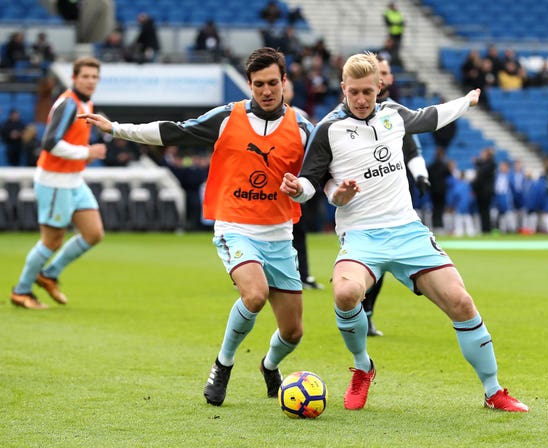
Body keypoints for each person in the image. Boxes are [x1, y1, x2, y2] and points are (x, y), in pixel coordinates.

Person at [280, 52, 528, 412]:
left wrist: (466, 102)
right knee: (346, 293)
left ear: (379, 87)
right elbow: (310, 182)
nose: (362, 100)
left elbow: (430, 118)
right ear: (342, 89)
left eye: (368, 92)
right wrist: (299, 190)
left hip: (407, 231)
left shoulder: (393, 114)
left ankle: (493, 391)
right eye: (354, 93)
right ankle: (363, 366)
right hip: (362, 236)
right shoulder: (328, 130)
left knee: (461, 302)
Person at [80, 48, 314, 406]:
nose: (265, 91)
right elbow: (174, 132)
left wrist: (306, 189)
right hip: (235, 225)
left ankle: (269, 365)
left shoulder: (303, 127)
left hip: (279, 233)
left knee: (293, 332)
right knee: (254, 294)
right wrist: (116, 129)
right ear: (249, 85)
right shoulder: (227, 117)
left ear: (284, 82)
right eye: (258, 85)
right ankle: (223, 364)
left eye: (272, 83)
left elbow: (321, 173)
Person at [10, 57, 107, 310]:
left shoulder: (86, 102)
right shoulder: (68, 104)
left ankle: (49, 274)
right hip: (54, 181)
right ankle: (21, 291)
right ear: (74, 78)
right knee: (51, 241)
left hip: (74, 180)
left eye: (94, 77)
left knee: (93, 233)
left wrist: (84, 153)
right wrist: (87, 152)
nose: (90, 81)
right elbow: (50, 143)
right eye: (85, 76)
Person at [360, 55, 431, 337]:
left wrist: (421, 174)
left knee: (383, 261)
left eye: (386, 72)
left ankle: (365, 314)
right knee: (367, 260)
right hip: (362, 199)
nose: (383, 77)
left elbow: (412, 150)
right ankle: (357, 312)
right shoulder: (352, 112)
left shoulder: (396, 113)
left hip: (393, 196)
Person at [283, 78, 324, 290]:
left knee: (298, 232)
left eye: (286, 87)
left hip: (298, 183)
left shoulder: (299, 116)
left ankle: (304, 275)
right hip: (271, 185)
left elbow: (312, 147)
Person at [472, 146, 496, 233]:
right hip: (482, 192)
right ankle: (485, 228)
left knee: (485, 211)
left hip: (485, 192)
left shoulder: (490, 164)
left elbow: (482, 171)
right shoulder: (486, 164)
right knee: (483, 211)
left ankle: (486, 229)